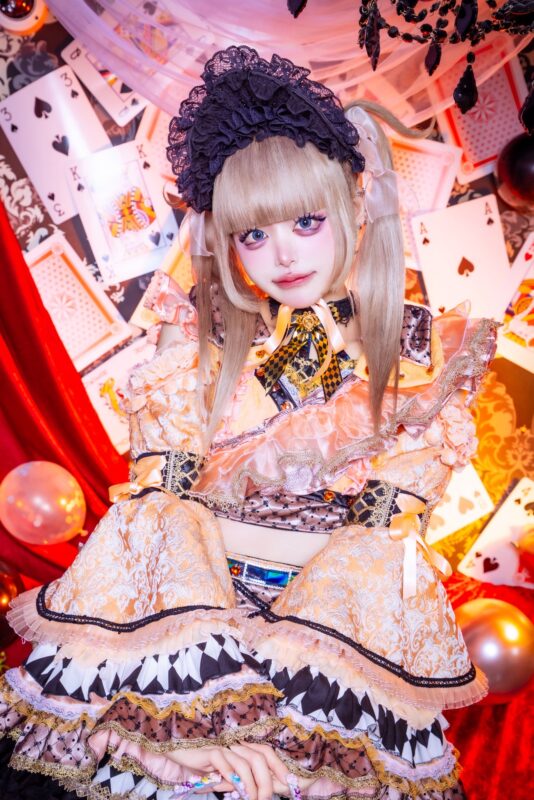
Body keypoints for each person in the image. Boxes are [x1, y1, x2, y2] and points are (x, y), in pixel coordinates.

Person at [0, 45, 498, 800]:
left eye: (307, 221)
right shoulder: (194, 342)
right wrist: (181, 724)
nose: (281, 255)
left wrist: (292, 734)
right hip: (186, 635)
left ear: (356, 205)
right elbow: (154, 521)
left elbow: (377, 557)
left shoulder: (425, 355)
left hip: (329, 652)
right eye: (253, 234)